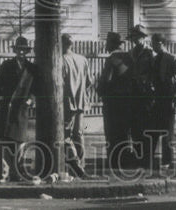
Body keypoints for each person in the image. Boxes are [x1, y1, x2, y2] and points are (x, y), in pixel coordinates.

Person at [0, 36, 37, 181]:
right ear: (15, 50)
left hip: (22, 108)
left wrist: (31, 100)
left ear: (27, 51)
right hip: (7, 107)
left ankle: (17, 172)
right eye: (19, 50)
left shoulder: (31, 68)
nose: (21, 53)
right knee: (4, 140)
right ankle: (2, 173)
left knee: (20, 141)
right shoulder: (6, 65)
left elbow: (37, 89)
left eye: (24, 50)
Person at [149, 33, 176, 170]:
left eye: (154, 43)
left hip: (167, 99)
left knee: (167, 132)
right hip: (157, 98)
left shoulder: (171, 58)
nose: (152, 46)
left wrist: (173, 91)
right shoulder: (154, 59)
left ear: (161, 43)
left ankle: (167, 162)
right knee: (153, 130)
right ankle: (151, 161)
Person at [97, 31, 130, 168]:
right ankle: (125, 159)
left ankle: (114, 161)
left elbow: (106, 80)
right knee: (124, 133)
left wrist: (99, 89)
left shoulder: (111, 59)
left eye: (107, 42)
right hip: (127, 101)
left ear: (111, 44)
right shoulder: (129, 57)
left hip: (112, 102)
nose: (106, 44)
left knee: (111, 132)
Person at [61, 33, 92, 177]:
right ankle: (81, 165)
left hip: (67, 102)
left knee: (65, 135)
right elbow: (89, 82)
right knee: (79, 135)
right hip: (81, 102)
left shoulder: (60, 60)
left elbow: (59, 83)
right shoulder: (82, 59)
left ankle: (76, 166)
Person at [126, 24, 155, 169]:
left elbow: (155, 73)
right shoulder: (131, 53)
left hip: (146, 94)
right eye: (133, 37)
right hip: (133, 94)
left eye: (138, 37)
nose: (135, 40)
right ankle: (138, 158)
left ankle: (146, 159)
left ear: (143, 38)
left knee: (146, 127)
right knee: (135, 127)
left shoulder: (150, 53)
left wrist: (147, 82)